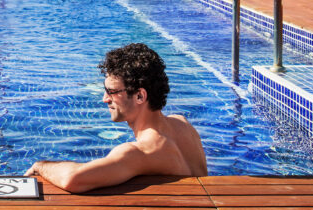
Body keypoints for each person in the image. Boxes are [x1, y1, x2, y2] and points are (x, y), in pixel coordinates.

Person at [25, 42, 207, 193]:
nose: (105, 99)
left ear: (140, 96)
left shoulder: (141, 151)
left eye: (111, 92)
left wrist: (40, 166)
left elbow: (73, 179)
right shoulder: (183, 125)